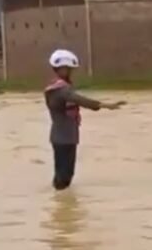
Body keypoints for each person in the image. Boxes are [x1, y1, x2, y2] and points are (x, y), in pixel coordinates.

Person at [45, 49, 125, 190]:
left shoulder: (61, 88)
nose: (70, 72)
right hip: (63, 138)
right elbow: (78, 99)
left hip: (67, 136)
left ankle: (61, 204)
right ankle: (61, 205)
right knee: (63, 176)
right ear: (60, 69)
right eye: (68, 69)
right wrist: (104, 105)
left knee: (65, 174)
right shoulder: (59, 90)